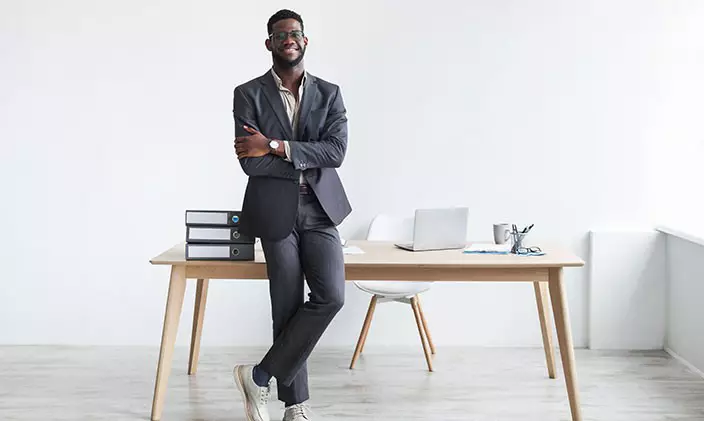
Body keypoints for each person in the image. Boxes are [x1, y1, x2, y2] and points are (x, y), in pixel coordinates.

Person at [231, 9, 352, 421]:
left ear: (305, 41)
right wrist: (300, 154)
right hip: (275, 212)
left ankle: (259, 376)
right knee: (285, 305)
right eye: (281, 34)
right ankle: (296, 406)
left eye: (296, 33)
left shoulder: (329, 93)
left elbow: (335, 152)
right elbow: (251, 162)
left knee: (331, 296)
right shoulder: (247, 93)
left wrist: (278, 146)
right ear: (269, 43)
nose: (289, 38)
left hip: (320, 210)